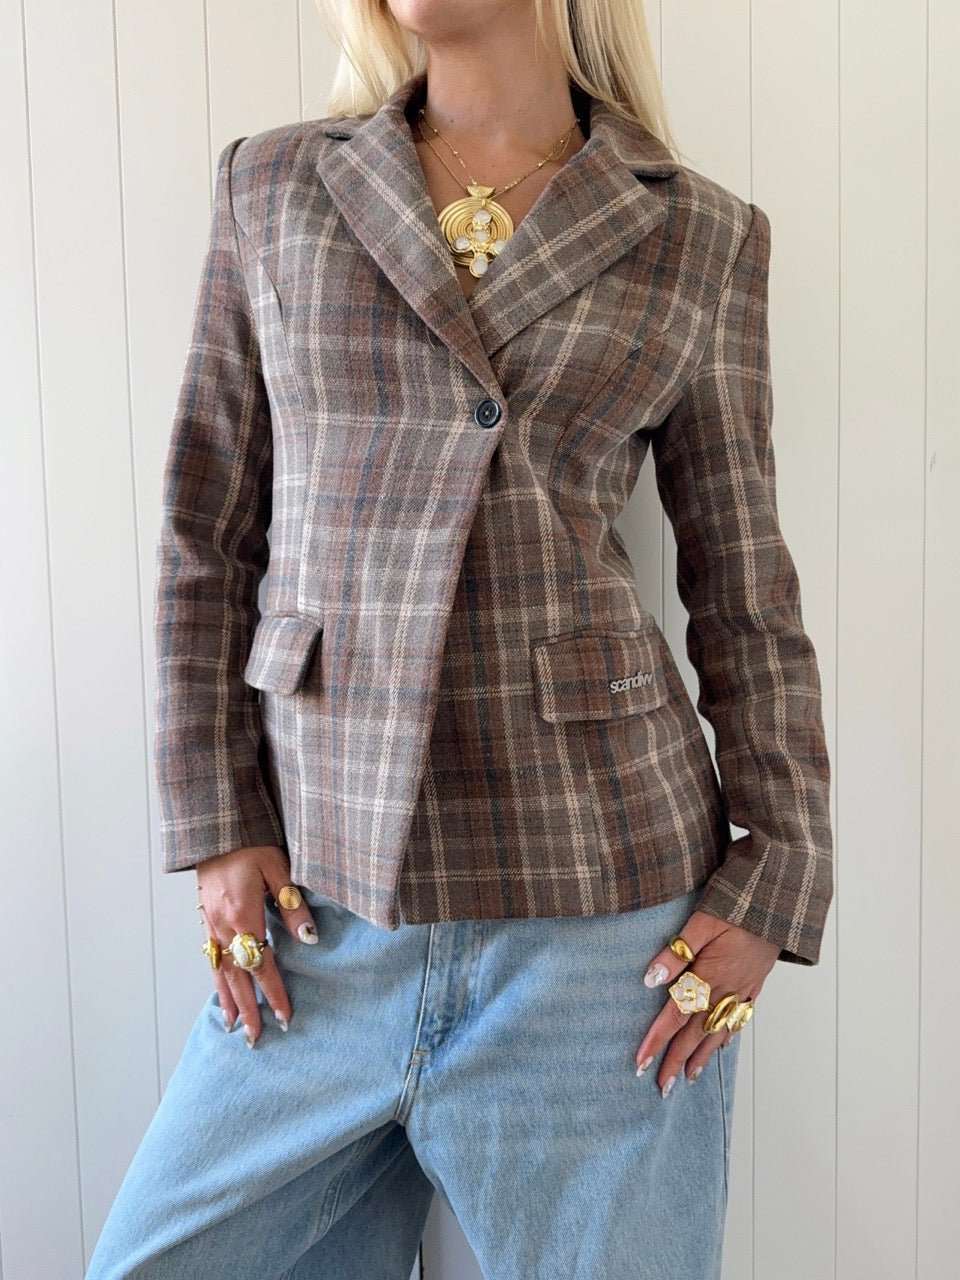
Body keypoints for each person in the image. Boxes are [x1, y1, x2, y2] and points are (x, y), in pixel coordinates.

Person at [86, 1, 834, 1277]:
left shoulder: (700, 233)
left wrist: (780, 873)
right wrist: (215, 815)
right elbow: (206, 528)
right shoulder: (275, 185)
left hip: (600, 930)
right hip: (317, 914)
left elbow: (744, 583)